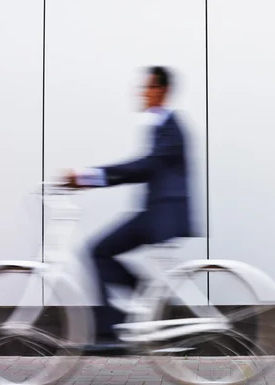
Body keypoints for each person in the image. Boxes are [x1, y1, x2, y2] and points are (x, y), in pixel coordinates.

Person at [62, 66, 193, 353]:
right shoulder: (162, 125)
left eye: (147, 87)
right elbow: (146, 169)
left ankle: (111, 327)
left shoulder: (171, 125)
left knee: (98, 250)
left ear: (162, 91)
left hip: (161, 215)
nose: (142, 92)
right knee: (101, 251)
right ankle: (144, 307)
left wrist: (88, 176)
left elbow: (145, 167)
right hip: (155, 213)